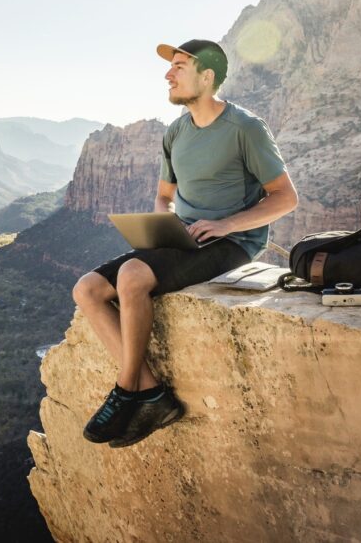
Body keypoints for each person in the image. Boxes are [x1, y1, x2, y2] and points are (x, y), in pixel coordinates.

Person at [71, 39, 298, 448]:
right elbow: (164, 193)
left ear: (206, 77)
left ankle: (126, 392)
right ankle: (152, 394)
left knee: (132, 275)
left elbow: (285, 197)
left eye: (178, 67)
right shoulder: (175, 131)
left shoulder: (245, 128)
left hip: (231, 243)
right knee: (86, 289)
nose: (168, 75)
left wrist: (226, 224)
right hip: (183, 237)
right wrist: (165, 219)